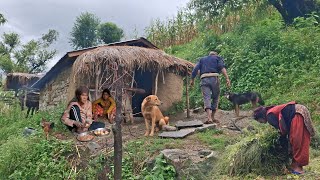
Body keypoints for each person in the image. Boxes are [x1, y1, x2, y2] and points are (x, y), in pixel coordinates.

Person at [253, 101, 316, 175]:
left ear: (261, 117)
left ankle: (298, 168)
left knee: (296, 142)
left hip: (297, 114)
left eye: (259, 121)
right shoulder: (271, 112)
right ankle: (297, 166)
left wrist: (282, 140)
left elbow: (281, 129)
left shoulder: (269, 115)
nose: (261, 122)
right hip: (300, 111)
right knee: (301, 139)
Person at [190, 51, 231, 124]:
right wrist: (227, 78)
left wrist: (192, 79)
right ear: (215, 55)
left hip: (204, 79)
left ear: (209, 55)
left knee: (206, 98)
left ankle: (209, 118)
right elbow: (222, 68)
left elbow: (196, 69)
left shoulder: (202, 59)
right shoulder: (217, 58)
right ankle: (213, 116)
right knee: (216, 97)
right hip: (214, 78)